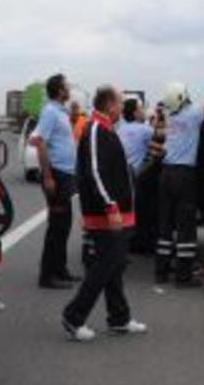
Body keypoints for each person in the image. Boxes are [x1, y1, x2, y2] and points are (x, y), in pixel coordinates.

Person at [62, 85, 147, 341]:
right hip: (106, 212)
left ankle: (119, 318)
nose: (122, 107)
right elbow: (95, 172)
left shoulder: (107, 129)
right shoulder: (97, 129)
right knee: (106, 265)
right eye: (120, 103)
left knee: (115, 264)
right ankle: (73, 316)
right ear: (110, 105)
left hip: (116, 211)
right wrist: (110, 206)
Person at [155, 82, 204, 285]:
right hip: (184, 175)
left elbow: (202, 107)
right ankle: (183, 277)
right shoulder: (193, 115)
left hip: (166, 174)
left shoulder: (171, 116)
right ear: (183, 98)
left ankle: (161, 272)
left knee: (165, 223)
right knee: (185, 225)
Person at [29, 74, 81, 289]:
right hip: (56, 175)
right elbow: (39, 141)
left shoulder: (60, 111)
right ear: (60, 91)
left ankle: (60, 269)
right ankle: (47, 276)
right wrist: (48, 176)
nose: (69, 88)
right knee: (57, 227)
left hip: (65, 174)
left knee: (64, 225)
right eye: (67, 85)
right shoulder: (50, 111)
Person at [116, 98, 160, 254]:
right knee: (139, 211)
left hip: (119, 175)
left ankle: (124, 244)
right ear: (135, 112)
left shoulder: (120, 128)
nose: (143, 111)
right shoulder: (145, 130)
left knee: (124, 211)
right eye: (141, 108)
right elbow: (160, 141)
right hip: (134, 176)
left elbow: (146, 146)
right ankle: (139, 244)